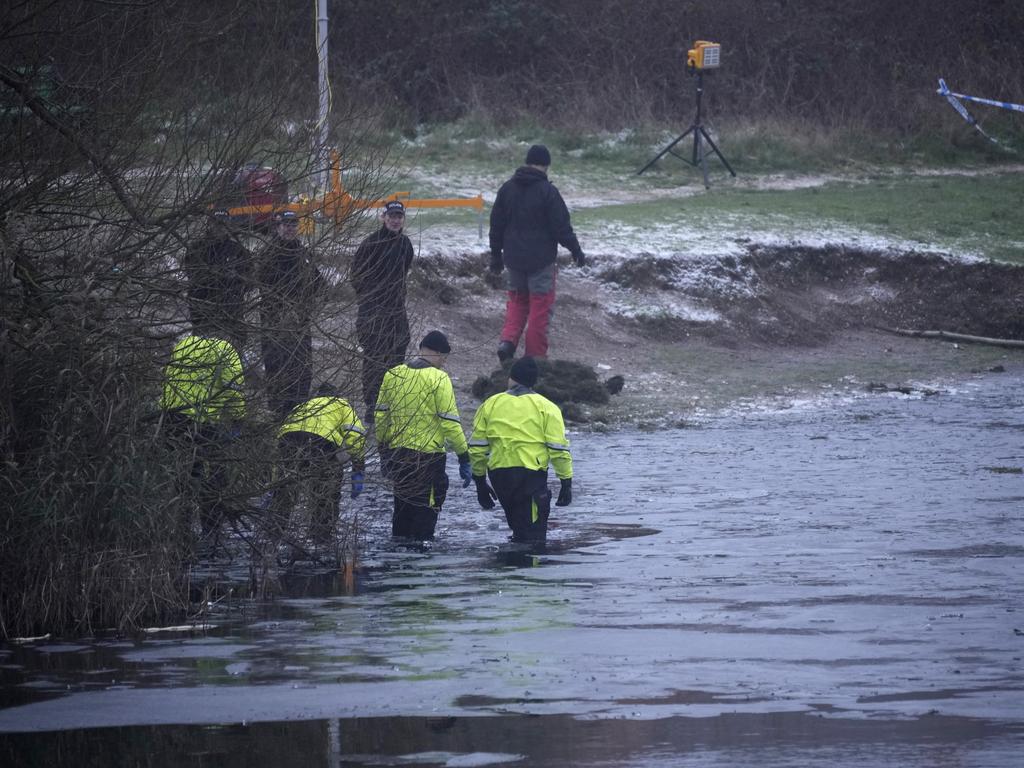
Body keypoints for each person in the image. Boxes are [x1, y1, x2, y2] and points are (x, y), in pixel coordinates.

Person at [488, 144, 586, 362]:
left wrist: (496, 256)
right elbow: (561, 228)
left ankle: (507, 342)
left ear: (527, 162)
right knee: (540, 310)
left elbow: (496, 225)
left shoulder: (507, 189)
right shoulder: (548, 192)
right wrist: (576, 250)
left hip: (513, 259)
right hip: (541, 261)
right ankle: (535, 358)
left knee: (517, 302)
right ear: (546, 165)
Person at [374, 330, 473, 540]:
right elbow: (450, 423)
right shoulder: (438, 378)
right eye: (444, 359)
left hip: (398, 455)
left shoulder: (393, 375)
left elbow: (381, 417)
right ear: (438, 353)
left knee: (401, 511)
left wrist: (384, 450)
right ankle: (420, 559)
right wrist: (464, 456)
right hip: (428, 458)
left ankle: (398, 559)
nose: (444, 364)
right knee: (425, 514)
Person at [469, 356, 573, 543]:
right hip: (530, 476)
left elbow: (477, 448)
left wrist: (479, 482)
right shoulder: (547, 407)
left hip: (500, 476)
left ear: (511, 378)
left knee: (517, 529)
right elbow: (559, 450)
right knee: (532, 538)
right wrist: (566, 482)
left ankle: (510, 567)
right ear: (534, 381)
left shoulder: (490, 404)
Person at [158, 332, 246, 552]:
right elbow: (233, 388)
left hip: (170, 417)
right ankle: (212, 531)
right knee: (214, 475)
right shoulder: (226, 349)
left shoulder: (185, 343)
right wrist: (238, 419)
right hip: (201, 420)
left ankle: (180, 529)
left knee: (182, 474)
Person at [272, 383, 367, 550]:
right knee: (327, 490)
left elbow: (281, 433)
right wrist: (358, 464)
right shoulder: (341, 404)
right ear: (336, 395)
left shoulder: (304, 405)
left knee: (285, 490)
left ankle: (274, 532)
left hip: (287, 441)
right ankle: (321, 535)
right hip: (319, 442)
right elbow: (356, 435)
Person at [351, 200, 415, 423]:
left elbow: (404, 272)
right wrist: (372, 301)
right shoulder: (370, 244)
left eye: (399, 216)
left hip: (396, 310)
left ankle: (392, 402)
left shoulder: (405, 244)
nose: (395, 220)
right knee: (374, 357)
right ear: (383, 217)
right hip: (373, 311)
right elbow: (356, 278)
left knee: (398, 353)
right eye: (392, 216)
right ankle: (372, 405)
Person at [257, 210, 325, 417]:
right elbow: (261, 286)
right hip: (274, 324)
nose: (290, 228)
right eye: (286, 224)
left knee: (302, 371)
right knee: (276, 369)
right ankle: (277, 413)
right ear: (277, 227)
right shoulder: (267, 255)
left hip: (300, 324)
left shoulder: (305, 254)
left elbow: (319, 286)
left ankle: (299, 412)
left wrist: (312, 302)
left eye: (293, 225)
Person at [183, 210, 253, 352]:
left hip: (231, 319)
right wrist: (221, 276)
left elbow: (250, 282)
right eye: (217, 223)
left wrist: (236, 281)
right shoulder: (196, 249)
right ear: (209, 225)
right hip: (204, 319)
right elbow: (195, 278)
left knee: (231, 366)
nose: (220, 227)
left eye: (224, 224)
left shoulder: (238, 251)